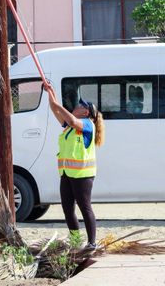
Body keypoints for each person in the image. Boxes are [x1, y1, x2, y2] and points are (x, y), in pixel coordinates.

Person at [44, 84, 105, 250]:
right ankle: (76, 241)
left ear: (86, 112)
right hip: (67, 173)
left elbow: (70, 119)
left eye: (80, 105)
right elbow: (55, 110)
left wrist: (58, 104)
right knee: (67, 209)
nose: (76, 106)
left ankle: (92, 243)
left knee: (85, 208)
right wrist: (51, 92)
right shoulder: (71, 127)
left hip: (83, 175)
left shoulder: (87, 124)